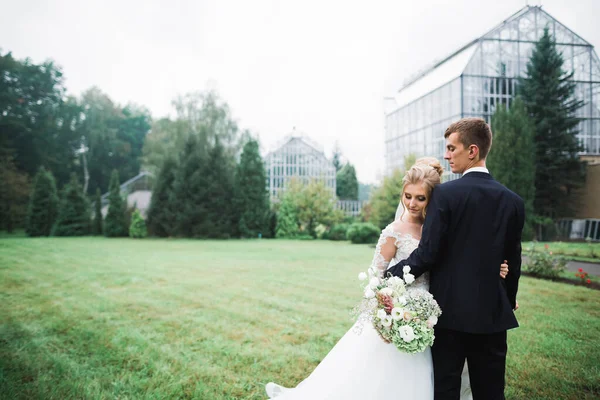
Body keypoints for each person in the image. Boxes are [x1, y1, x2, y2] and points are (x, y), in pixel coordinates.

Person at [265, 156, 511, 400]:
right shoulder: (393, 232)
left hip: (433, 315)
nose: (412, 203)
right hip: (396, 313)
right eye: (408, 196)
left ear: (432, 199)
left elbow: (459, 262)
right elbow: (376, 278)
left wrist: (495, 269)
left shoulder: (439, 229)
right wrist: (386, 316)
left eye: (420, 198)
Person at [387, 118, 525, 400]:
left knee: (446, 390)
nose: (447, 155)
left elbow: (427, 254)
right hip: (493, 317)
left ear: (472, 150)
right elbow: (514, 262)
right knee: (491, 392)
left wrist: (389, 277)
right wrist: (508, 298)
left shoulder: (445, 195)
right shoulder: (513, 201)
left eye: (452, 148)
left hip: (448, 315)